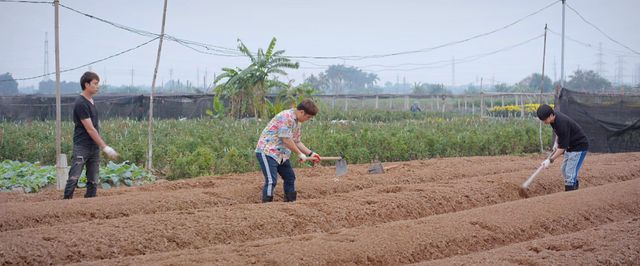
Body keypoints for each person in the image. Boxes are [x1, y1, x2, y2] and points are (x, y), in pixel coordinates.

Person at [63, 71, 118, 199]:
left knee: (93, 179)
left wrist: (99, 146)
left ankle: (90, 206)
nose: (97, 86)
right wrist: (105, 147)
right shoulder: (81, 103)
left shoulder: (91, 101)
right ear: (86, 84)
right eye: (95, 83)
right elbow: (90, 129)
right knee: (74, 177)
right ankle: (65, 204)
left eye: (98, 84)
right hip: (82, 146)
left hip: (93, 147)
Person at [255, 99, 322, 203]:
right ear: (301, 112)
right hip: (268, 151)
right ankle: (266, 206)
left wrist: (311, 153)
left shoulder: (297, 122)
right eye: (308, 117)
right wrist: (300, 154)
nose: (308, 119)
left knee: (290, 177)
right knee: (271, 180)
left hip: (282, 154)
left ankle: (290, 203)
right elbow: (286, 140)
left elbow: (297, 141)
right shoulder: (286, 117)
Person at [536, 104, 589, 191]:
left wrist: (550, 160)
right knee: (564, 170)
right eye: (542, 120)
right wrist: (556, 143)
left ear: (551, 115)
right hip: (570, 145)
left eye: (545, 119)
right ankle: (575, 187)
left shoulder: (561, 123)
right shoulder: (553, 119)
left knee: (569, 173)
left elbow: (562, 148)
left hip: (579, 147)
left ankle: (570, 193)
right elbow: (559, 133)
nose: (544, 122)